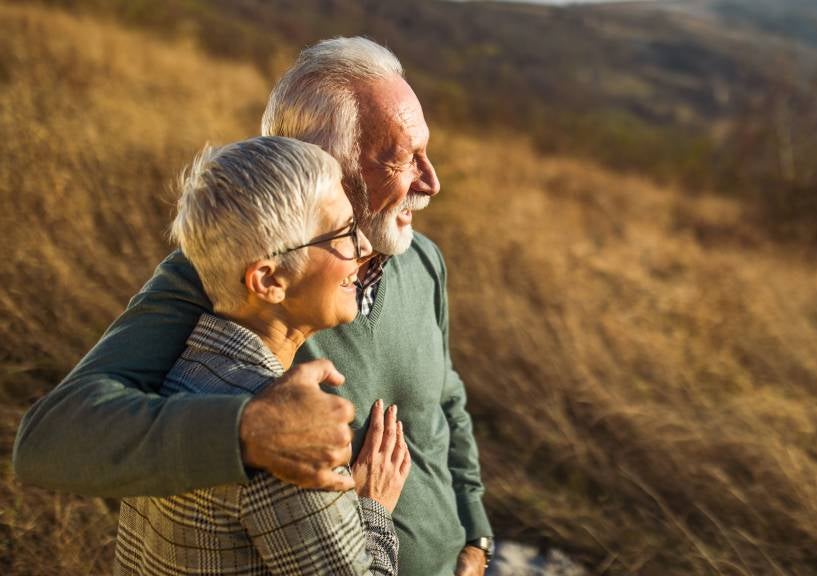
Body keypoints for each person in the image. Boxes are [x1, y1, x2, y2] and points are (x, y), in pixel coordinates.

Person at [13, 37, 494, 575]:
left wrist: (475, 539)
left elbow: (447, 402)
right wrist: (248, 430)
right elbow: (50, 442)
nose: (432, 182)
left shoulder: (423, 260)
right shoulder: (220, 279)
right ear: (321, 163)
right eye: (404, 158)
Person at [116, 136, 407, 575]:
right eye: (344, 233)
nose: (364, 249)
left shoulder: (170, 374)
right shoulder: (287, 441)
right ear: (269, 280)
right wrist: (373, 510)